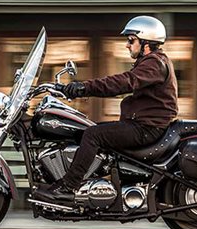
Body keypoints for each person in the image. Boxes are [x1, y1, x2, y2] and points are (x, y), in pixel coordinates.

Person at [33, 15, 178, 206]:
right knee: (82, 131)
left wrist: (82, 88)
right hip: (141, 124)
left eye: (131, 40)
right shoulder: (152, 62)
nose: (127, 45)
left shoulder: (154, 64)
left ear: (146, 42)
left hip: (146, 128)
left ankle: (68, 187)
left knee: (93, 135)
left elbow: (123, 82)